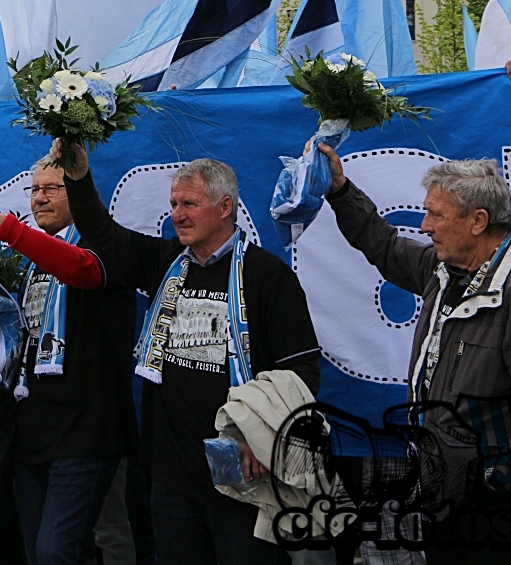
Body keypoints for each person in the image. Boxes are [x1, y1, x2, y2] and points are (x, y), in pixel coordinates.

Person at [48, 141, 321, 565]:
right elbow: (104, 235)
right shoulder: (166, 262)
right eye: (174, 203)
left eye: (189, 203)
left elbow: (300, 369)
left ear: (225, 206)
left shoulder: (268, 277)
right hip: (173, 476)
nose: (177, 214)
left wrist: (266, 436)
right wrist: (78, 176)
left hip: (243, 477)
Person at [316, 145, 511, 521]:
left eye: (436, 214)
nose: (425, 225)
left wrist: (495, 483)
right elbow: (385, 246)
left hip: (491, 512)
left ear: (478, 221)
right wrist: (341, 191)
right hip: (438, 491)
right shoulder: (444, 270)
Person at [0, 159, 138, 565]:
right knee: (39, 552)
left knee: (66, 548)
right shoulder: (30, 260)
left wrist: (3, 226)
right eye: (34, 190)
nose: (39, 197)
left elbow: (77, 267)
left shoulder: (102, 245)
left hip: (88, 430)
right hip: (34, 429)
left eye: (52, 188)